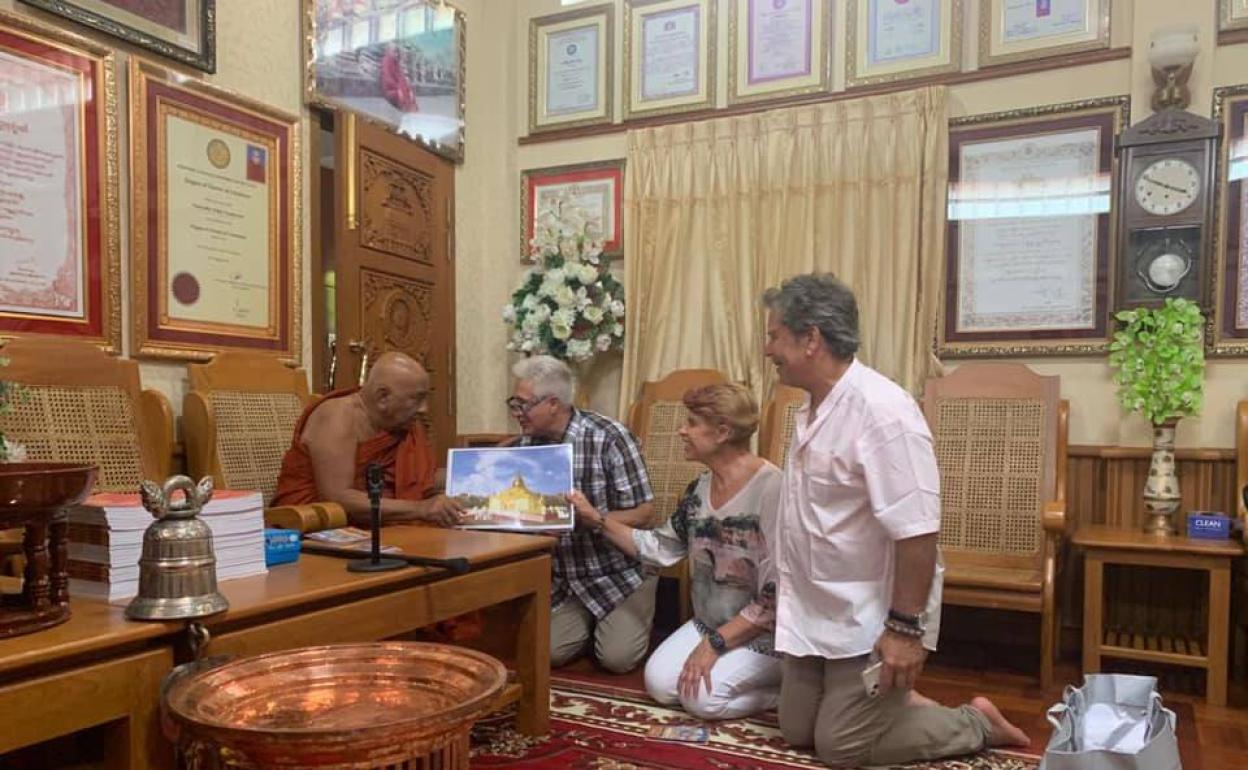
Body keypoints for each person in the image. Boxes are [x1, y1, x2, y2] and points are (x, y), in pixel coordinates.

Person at [762, 274, 1029, 767]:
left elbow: (917, 531)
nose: (767, 348)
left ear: (812, 339)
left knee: (839, 747)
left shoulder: (883, 412)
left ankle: (975, 723)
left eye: (775, 334)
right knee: (797, 731)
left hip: (869, 618)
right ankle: (893, 704)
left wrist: (905, 631)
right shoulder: (812, 407)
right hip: (814, 609)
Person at [577, 383, 782, 720]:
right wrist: (598, 520)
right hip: (710, 623)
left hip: (767, 635)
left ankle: (786, 694)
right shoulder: (700, 487)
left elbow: (777, 597)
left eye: (691, 423)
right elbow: (658, 548)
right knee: (660, 686)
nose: (681, 430)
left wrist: (715, 645)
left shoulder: (774, 489)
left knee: (701, 701)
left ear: (722, 432)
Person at [510, 355, 657, 673]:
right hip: (564, 576)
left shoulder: (610, 437)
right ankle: (586, 623)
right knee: (544, 654)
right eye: (514, 403)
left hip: (617, 571)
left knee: (617, 660)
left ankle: (619, 617)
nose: (516, 412)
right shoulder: (525, 444)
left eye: (523, 404)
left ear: (552, 404)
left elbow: (645, 513)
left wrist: (592, 519)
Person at [271, 351, 462, 528]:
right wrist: (421, 509)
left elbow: (420, 479)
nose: (424, 409)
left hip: (386, 527)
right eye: (417, 399)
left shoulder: (402, 424)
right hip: (318, 525)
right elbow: (337, 498)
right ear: (382, 397)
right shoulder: (338, 417)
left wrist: (473, 478)